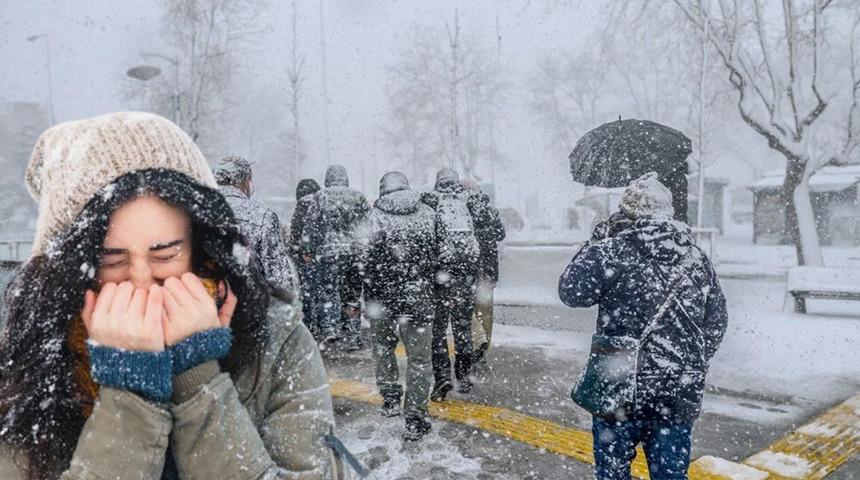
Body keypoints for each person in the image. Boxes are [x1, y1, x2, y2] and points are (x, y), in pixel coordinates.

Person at [0, 112, 347, 479]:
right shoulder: (31, 363)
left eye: (164, 255)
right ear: (74, 266)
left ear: (201, 249)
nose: (141, 279)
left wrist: (198, 380)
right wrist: (129, 391)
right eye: (112, 259)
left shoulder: (275, 338)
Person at [558, 172, 728, 480]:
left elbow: (571, 292)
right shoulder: (695, 257)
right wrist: (689, 361)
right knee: (671, 475)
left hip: (619, 384)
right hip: (677, 390)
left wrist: (595, 242)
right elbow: (717, 321)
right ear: (669, 212)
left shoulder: (610, 251)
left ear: (627, 212)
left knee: (612, 473)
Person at [364, 171, 437, 441]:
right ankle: (416, 417)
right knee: (419, 359)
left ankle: (391, 397)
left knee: (384, 347)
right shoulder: (428, 214)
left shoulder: (374, 216)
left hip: (382, 298)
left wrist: (363, 294)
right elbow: (443, 255)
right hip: (418, 296)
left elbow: (363, 260)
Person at [424, 168, 481, 399]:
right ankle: (464, 376)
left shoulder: (431, 203)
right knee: (463, 328)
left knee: (437, 331)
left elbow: (428, 240)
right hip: (465, 277)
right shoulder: (466, 203)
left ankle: (442, 377)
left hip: (441, 277)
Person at [214, 155, 298, 303]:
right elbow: (278, 275)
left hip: (203, 308)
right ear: (245, 180)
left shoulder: (195, 212)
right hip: (248, 308)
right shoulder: (261, 216)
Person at [303, 165, 370, 351]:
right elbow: (368, 227)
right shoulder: (358, 197)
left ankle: (329, 329)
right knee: (352, 294)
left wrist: (308, 249)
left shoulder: (320, 197)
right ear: (346, 178)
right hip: (353, 254)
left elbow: (310, 226)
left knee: (328, 292)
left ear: (327, 179)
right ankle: (353, 334)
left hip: (328, 253)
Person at [461, 180, 506, 366]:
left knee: (465, 309)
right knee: (485, 312)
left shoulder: (461, 211)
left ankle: (475, 341)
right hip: (487, 268)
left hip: (467, 268)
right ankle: (483, 347)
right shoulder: (490, 210)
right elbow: (500, 234)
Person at [290, 178, 322, 338]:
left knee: (307, 293)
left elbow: (296, 232)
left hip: (304, 257)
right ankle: (325, 327)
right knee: (323, 291)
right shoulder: (321, 204)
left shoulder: (302, 205)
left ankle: (310, 326)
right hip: (321, 256)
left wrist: (297, 252)